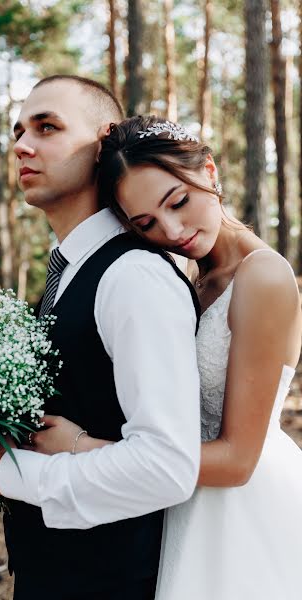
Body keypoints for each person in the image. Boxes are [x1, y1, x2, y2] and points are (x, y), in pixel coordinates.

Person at [31, 116, 302, 600]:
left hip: (240, 508)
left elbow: (239, 460)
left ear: (210, 171)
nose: (173, 230)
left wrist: (83, 446)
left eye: (178, 202)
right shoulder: (185, 277)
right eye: (147, 224)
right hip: (179, 499)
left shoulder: (264, 276)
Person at [0, 80, 202, 599]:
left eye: (47, 127)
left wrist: (15, 474)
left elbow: (165, 467)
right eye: (18, 131)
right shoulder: (68, 271)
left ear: (103, 141)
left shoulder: (134, 277)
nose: (22, 145)